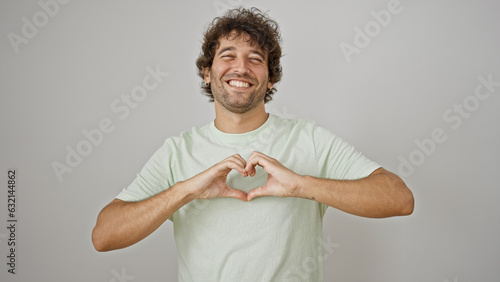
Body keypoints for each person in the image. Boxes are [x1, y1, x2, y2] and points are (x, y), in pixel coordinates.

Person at [92, 7, 414, 281]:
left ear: (270, 78)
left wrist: (301, 185)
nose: (241, 67)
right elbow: (104, 235)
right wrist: (186, 191)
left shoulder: (310, 139)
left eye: (255, 59)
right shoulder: (177, 152)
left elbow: (399, 199)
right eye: (228, 55)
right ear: (207, 72)